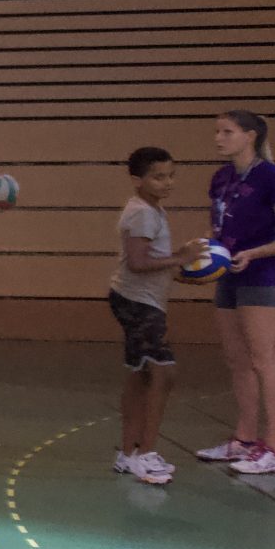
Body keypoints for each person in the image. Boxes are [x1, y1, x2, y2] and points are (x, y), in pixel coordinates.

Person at [199, 110, 275, 478]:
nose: (218, 138)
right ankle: (244, 438)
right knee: (237, 360)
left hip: (262, 275)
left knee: (263, 360)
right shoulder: (221, 178)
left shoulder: (272, 178)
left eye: (227, 132)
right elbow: (219, 226)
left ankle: (274, 449)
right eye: (217, 131)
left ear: (251, 136)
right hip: (229, 275)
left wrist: (253, 253)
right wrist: (205, 254)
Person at [109, 148, 207, 484]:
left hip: (138, 300)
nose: (167, 183)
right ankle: (145, 456)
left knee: (141, 374)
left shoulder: (151, 209)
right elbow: (137, 263)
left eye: (170, 175)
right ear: (137, 180)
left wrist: (185, 271)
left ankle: (127, 453)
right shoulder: (143, 214)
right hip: (138, 303)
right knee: (164, 372)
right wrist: (181, 256)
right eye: (158, 176)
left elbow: (154, 259)